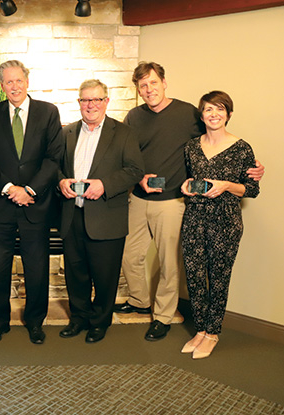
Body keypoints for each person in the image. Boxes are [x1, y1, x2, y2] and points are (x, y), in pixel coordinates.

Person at [118, 62, 265, 342]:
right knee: (128, 254)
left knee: (169, 262)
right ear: (137, 89)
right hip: (138, 198)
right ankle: (139, 301)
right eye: (143, 86)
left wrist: (253, 166)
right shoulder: (134, 117)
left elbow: (217, 134)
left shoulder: (188, 113)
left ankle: (163, 316)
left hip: (173, 201)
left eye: (153, 83)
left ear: (164, 82)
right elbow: (126, 154)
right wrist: (138, 179)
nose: (149, 90)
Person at [0, 59, 64, 345]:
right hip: (1, 204)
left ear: (27, 81)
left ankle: (35, 321)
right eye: (8, 82)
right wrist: (7, 187)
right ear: (2, 86)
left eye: (18, 80)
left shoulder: (48, 112)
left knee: (36, 265)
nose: (14, 86)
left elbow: (54, 158)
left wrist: (28, 189)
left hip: (35, 204)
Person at [58, 80, 144, 343]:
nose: (90, 105)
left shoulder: (124, 133)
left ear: (106, 102)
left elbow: (134, 170)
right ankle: (79, 318)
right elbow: (56, 167)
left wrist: (104, 185)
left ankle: (99, 322)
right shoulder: (67, 133)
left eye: (96, 100)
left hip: (106, 217)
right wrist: (61, 181)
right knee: (76, 274)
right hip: (73, 216)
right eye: (85, 100)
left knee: (105, 276)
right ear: (79, 103)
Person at [179, 91, 259, 359]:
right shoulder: (191, 147)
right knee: (194, 275)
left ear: (229, 114)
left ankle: (212, 333)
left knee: (218, 277)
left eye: (219, 109)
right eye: (208, 110)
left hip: (225, 220)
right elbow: (188, 179)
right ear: (201, 115)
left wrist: (225, 186)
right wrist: (186, 186)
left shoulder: (242, 148)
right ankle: (200, 329)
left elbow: (252, 189)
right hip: (194, 217)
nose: (214, 114)